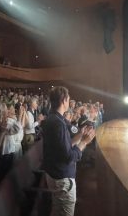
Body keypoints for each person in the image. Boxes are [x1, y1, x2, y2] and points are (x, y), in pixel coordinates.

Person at [42, 86, 96, 216]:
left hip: (55, 175)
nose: (69, 101)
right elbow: (68, 156)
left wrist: (80, 135)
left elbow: (62, 147)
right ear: (64, 100)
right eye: (69, 99)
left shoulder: (53, 118)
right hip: (62, 179)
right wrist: (84, 142)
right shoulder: (58, 124)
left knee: (57, 210)